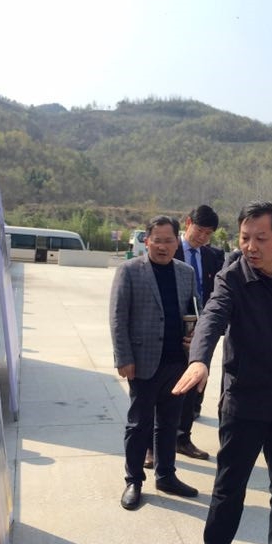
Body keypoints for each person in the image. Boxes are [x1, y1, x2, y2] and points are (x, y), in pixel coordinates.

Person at [172, 201, 272, 544]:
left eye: (261, 238)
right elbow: (212, 317)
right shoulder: (232, 277)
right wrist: (199, 360)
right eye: (244, 238)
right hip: (246, 404)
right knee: (229, 490)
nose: (251, 247)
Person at [109, 215, 200, 511]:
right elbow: (118, 317)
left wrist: (194, 338)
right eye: (157, 241)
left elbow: (195, 311)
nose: (162, 246)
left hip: (177, 363)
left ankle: (166, 476)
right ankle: (133, 480)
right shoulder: (129, 271)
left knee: (169, 424)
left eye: (168, 240)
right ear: (147, 241)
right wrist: (124, 358)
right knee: (139, 424)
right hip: (142, 362)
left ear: (177, 242)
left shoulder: (186, 272)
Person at [173, 204, 225, 460]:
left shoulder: (214, 256)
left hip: (201, 331)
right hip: (170, 329)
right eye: (199, 230)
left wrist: (204, 327)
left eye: (208, 233)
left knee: (193, 385)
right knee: (165, 386)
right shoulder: (170, 248)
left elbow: (217, 295)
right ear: (188, 223)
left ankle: (182, 438)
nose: (203, 237)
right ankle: (151, 444)